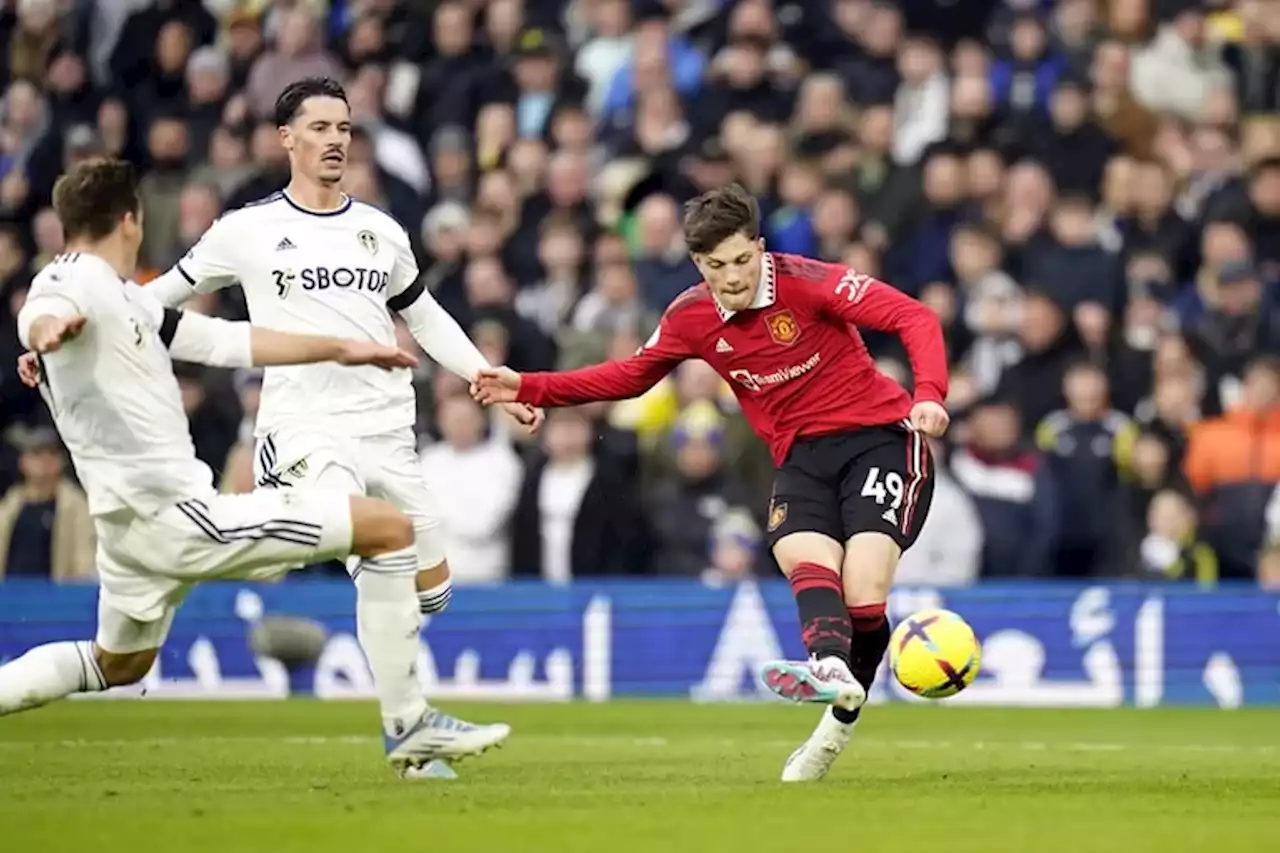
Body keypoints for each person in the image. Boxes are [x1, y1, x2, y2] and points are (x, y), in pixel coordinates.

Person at [0, 158, 511, 773]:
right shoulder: (75, 281)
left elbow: (225, 341)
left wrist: (341, 347)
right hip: (182, 520)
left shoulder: (124, 300)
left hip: (127, 533)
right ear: (130, 221)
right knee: (386, 528)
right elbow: (41, 305)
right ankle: (409, 729)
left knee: (118, 664)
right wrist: (42, 331)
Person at [474, 183, 950, 782]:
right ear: (698, 263)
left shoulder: (808, 281)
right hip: (802, 456)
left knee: (862, 591)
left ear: (760, 246)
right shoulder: (690, 316)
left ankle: (833, 728)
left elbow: (914, 315)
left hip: (881, 438)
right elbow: (630, 377)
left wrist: (929, 394)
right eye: (715, 266)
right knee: (799, 552)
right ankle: (830, 667)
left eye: (742, 261)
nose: (732, 278)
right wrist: (529, 386)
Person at [143, 78, 540, 767]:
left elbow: (424, 316)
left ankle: (411, 733)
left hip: (388, 429)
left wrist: (491, 380)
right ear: (286, 138)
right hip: (305, 426)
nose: (335, 140)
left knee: (431, 590)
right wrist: (70, 326)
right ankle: (406, 723)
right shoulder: (246, 230)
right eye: (320, 127)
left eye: (345, 128)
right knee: (374, 541)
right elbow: (156, 298)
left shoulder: (381, 230)